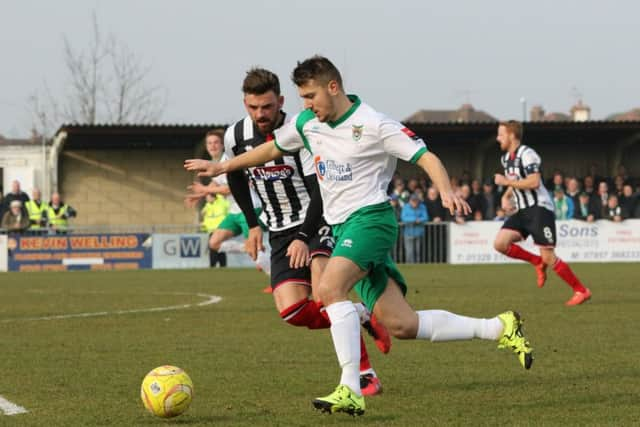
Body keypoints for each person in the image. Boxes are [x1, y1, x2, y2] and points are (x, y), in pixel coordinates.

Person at [186, 56, 534, 416]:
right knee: (402, 323)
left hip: (370, 221)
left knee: (329, 289)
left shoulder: (374, 124)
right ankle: (498, 327)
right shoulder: (308, 123)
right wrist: (224, 166)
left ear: (332, 87)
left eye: (310, 97)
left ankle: (351, 387)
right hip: (342, 228)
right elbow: (274, 148)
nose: (305, 106)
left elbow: (425, 157)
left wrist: (444, 190)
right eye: (302, 98)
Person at [186, 68, 389, 396]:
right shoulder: (235, 136)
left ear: (280, 101)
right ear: (245, 104)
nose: (260, 114)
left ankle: (364, 375)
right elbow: (236, 176)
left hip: (317, 219)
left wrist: (304, 236)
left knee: (325, 294)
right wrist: (253, 225)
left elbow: (319, 190)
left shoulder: (304, 130)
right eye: (253, 108)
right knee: (293, 311)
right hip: (278, 229)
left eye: (267, 106)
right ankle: (357, 314)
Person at [493, 121, 591, 306]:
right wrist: (506, 196)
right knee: (500, 243)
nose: (498, 138)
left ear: (512, 135)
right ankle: (536, 261)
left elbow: (534, 182)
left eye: (501, 134)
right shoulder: (506, 159)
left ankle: (581, 290)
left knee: (549, 256)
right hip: (523, 210)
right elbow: (516, 181)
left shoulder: (528, 154)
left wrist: (506, 182)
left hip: (540, 209)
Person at [186, 129, 269, 271]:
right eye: (209, 143)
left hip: (249, 209)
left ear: (223, 145)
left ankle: (277, 283)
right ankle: (248, 247)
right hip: (234, 212)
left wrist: (205, 190)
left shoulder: (228, 161)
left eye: (216, 143)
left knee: (258, 256)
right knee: (214, 242)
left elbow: (230, 189)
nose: (212, 146)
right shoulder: (214, 163)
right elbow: (216, 184)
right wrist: (198, 195)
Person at [200, 193, 230, 267]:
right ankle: (222, 265)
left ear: (213, 197)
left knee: (214, 248)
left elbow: (226, 206)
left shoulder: (221, 203)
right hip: (211, 230)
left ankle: (214, 265)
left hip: (220, 229)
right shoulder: (208, 206)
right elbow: (205, 216)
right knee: (218, 248)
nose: (206, 199)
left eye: (208, 197)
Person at [400, 193, 427, 263]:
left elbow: (425, 217)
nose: (415, 202)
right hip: (408, 233)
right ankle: (409, 266)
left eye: (416, 200)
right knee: (409, 251)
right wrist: (415, 220)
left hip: (419, 233)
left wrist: (419, 220)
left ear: (418, 201)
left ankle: (418, 266)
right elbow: (404, 218)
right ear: (410, 201)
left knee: (419, 251)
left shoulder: (422, 206)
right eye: (413, 200)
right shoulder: (406, 207)